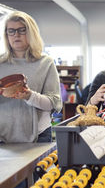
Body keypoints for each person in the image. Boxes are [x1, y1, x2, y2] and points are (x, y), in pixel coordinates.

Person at [0, 11, 62, 143]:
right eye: (11, 31)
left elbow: (53, 103)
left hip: (38, 135)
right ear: (6, 35)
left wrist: (29, 96)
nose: (16, 35)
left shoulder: (46, 63)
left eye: (22, 30)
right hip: (2, 136)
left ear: (31, 32)